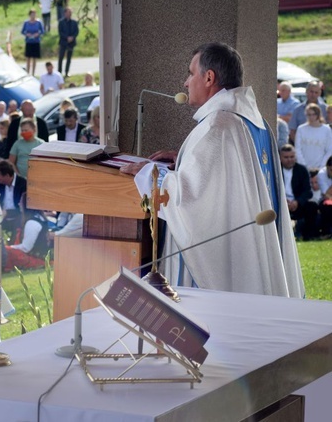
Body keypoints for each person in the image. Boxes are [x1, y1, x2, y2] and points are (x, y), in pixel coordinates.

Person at [121, 42, 304, 298]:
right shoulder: (257, 122)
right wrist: (184, 158)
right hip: (256, 249)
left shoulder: (220, 126)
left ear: (209, 77)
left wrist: (148, 173)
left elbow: (189, 198)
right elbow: (229, 174)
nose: (185, 83)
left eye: (190, 73)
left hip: (228, 266)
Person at [280, 144, 317, 240]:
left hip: (298, 203)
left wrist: (297, 202)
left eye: (292, 157)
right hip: (281, 203)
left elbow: (308, 191)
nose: (289, 159)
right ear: (280, 157)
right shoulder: (276, 170)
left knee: (311, 206)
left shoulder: (302, 170)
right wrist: (284, 202)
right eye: (286, 157)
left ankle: (308, 236)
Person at [0, 160, 27, 234]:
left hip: (17, 218)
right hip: (1, 218)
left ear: (7, 175)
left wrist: (7, 212)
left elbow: (24, 208)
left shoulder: (23, 184)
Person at [294, 103, 332, 170]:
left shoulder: (326, 129)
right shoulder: (301, 129)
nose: (311, 117)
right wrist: (304, 166)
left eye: (313, 114)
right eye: (309, 114)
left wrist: (322, 166)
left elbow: (329, 150)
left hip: (321, 168)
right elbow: (297, 149)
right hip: (303, 168)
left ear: (318, 114)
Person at [57, 7, 79, 78]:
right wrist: (67, 37)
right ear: (64, 13)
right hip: (63, 42)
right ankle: (59, 72)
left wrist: (72, 37)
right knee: (61, 58)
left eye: (70, 13)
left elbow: (76, 31)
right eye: (68, 12)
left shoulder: (74, 22)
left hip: (71, 43)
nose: (69, 14)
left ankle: (66, 72)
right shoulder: (61, 22)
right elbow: (60, 32)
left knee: (69, 58)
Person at [21, 9, 44, 76]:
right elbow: (22, 31)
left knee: (34, 58)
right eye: (32, 14)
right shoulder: (26, 23)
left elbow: (42, 31)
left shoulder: (38, 22)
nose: (33, 15)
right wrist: (27, 34)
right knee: (28, 58)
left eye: (34, 14)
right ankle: (28, 73)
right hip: (29, 42)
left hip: (36, 41)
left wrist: (38, 34)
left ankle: (33, 73)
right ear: (29, 15)